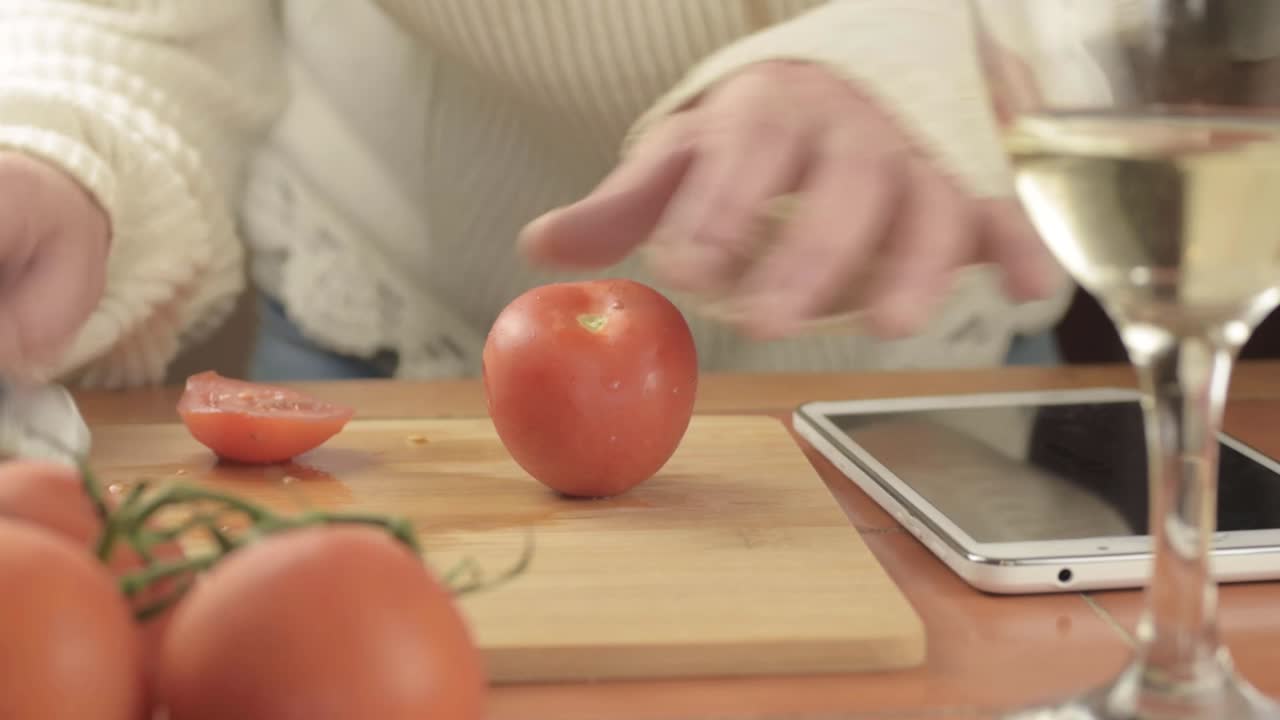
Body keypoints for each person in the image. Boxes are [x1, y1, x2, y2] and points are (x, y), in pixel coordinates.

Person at [0, 0, 1073, 388]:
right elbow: (132, 17)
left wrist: (926, 51)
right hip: (392, 340)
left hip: (932, 354)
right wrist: (58, 148)